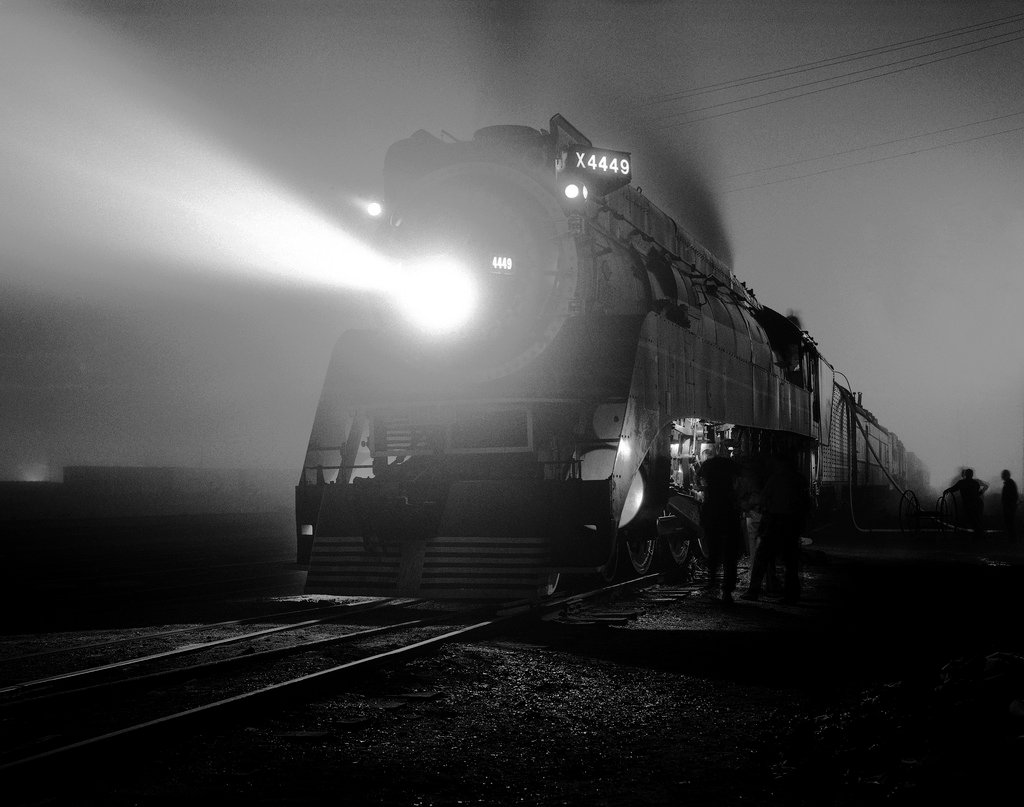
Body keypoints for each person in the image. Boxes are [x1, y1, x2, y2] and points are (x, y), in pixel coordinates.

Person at [741, 456, 810, 604]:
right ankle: (792, 593)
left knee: (762, 557)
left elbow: (765, 499)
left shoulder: (776, 479)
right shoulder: (799, 479)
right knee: (790, 560)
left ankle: (754, 591)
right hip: (791, 523)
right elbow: (805, 502)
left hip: (775, 521)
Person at [696, 443, 743, 607]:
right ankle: (728, 589)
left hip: (712, 510)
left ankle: (712, 581)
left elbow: (698, 480)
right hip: (729, 511)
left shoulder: (708, 464)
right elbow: (741, 480)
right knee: (730, 553)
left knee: (713, 550)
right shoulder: (731, 465)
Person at [943, 468, 989, 539]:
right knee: (977, 519)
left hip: (970, 504)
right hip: (977, 503)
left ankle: (977, 535)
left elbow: (953, 489)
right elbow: (985, 486)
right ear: (972, 475)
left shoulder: (962, 482)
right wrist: (980, 493)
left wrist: (946, 491)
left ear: (965, 474)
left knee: (973, 519)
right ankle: (979, 535)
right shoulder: (975, 482)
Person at [1001, 470, 1019, 543]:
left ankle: (1012, 539)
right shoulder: (1011, 483)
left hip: (1009, 506)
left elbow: (1010, 496)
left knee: (1009, 523)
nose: (1002, 476)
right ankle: (1012, 539)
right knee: (1010, 523)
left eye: (1003, 475)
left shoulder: (1009, 483)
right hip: (1010, 506)